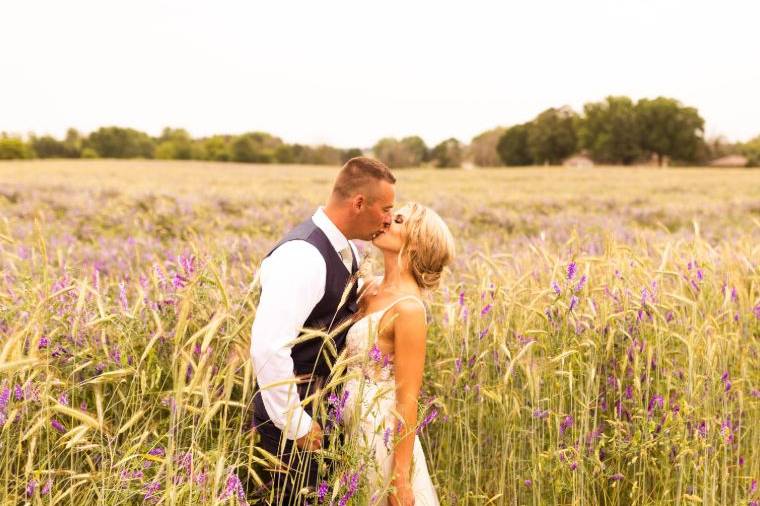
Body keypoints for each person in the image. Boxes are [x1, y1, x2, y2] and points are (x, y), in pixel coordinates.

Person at [250, 157, 396, 504]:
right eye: (386, 208)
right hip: (290, 425)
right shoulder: (304, 256)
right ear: (359, 203)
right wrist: (296, 425)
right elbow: (268, 348)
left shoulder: (346, 252)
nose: (389, 218)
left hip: (321, 414)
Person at [341, 202, 454, 505]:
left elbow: (408, 398)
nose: (387, 219)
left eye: (399, 219)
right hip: (345, 426)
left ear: (416, 243)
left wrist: (400, 477)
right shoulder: (367, 287)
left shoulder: (409, 310)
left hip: (379, 434)